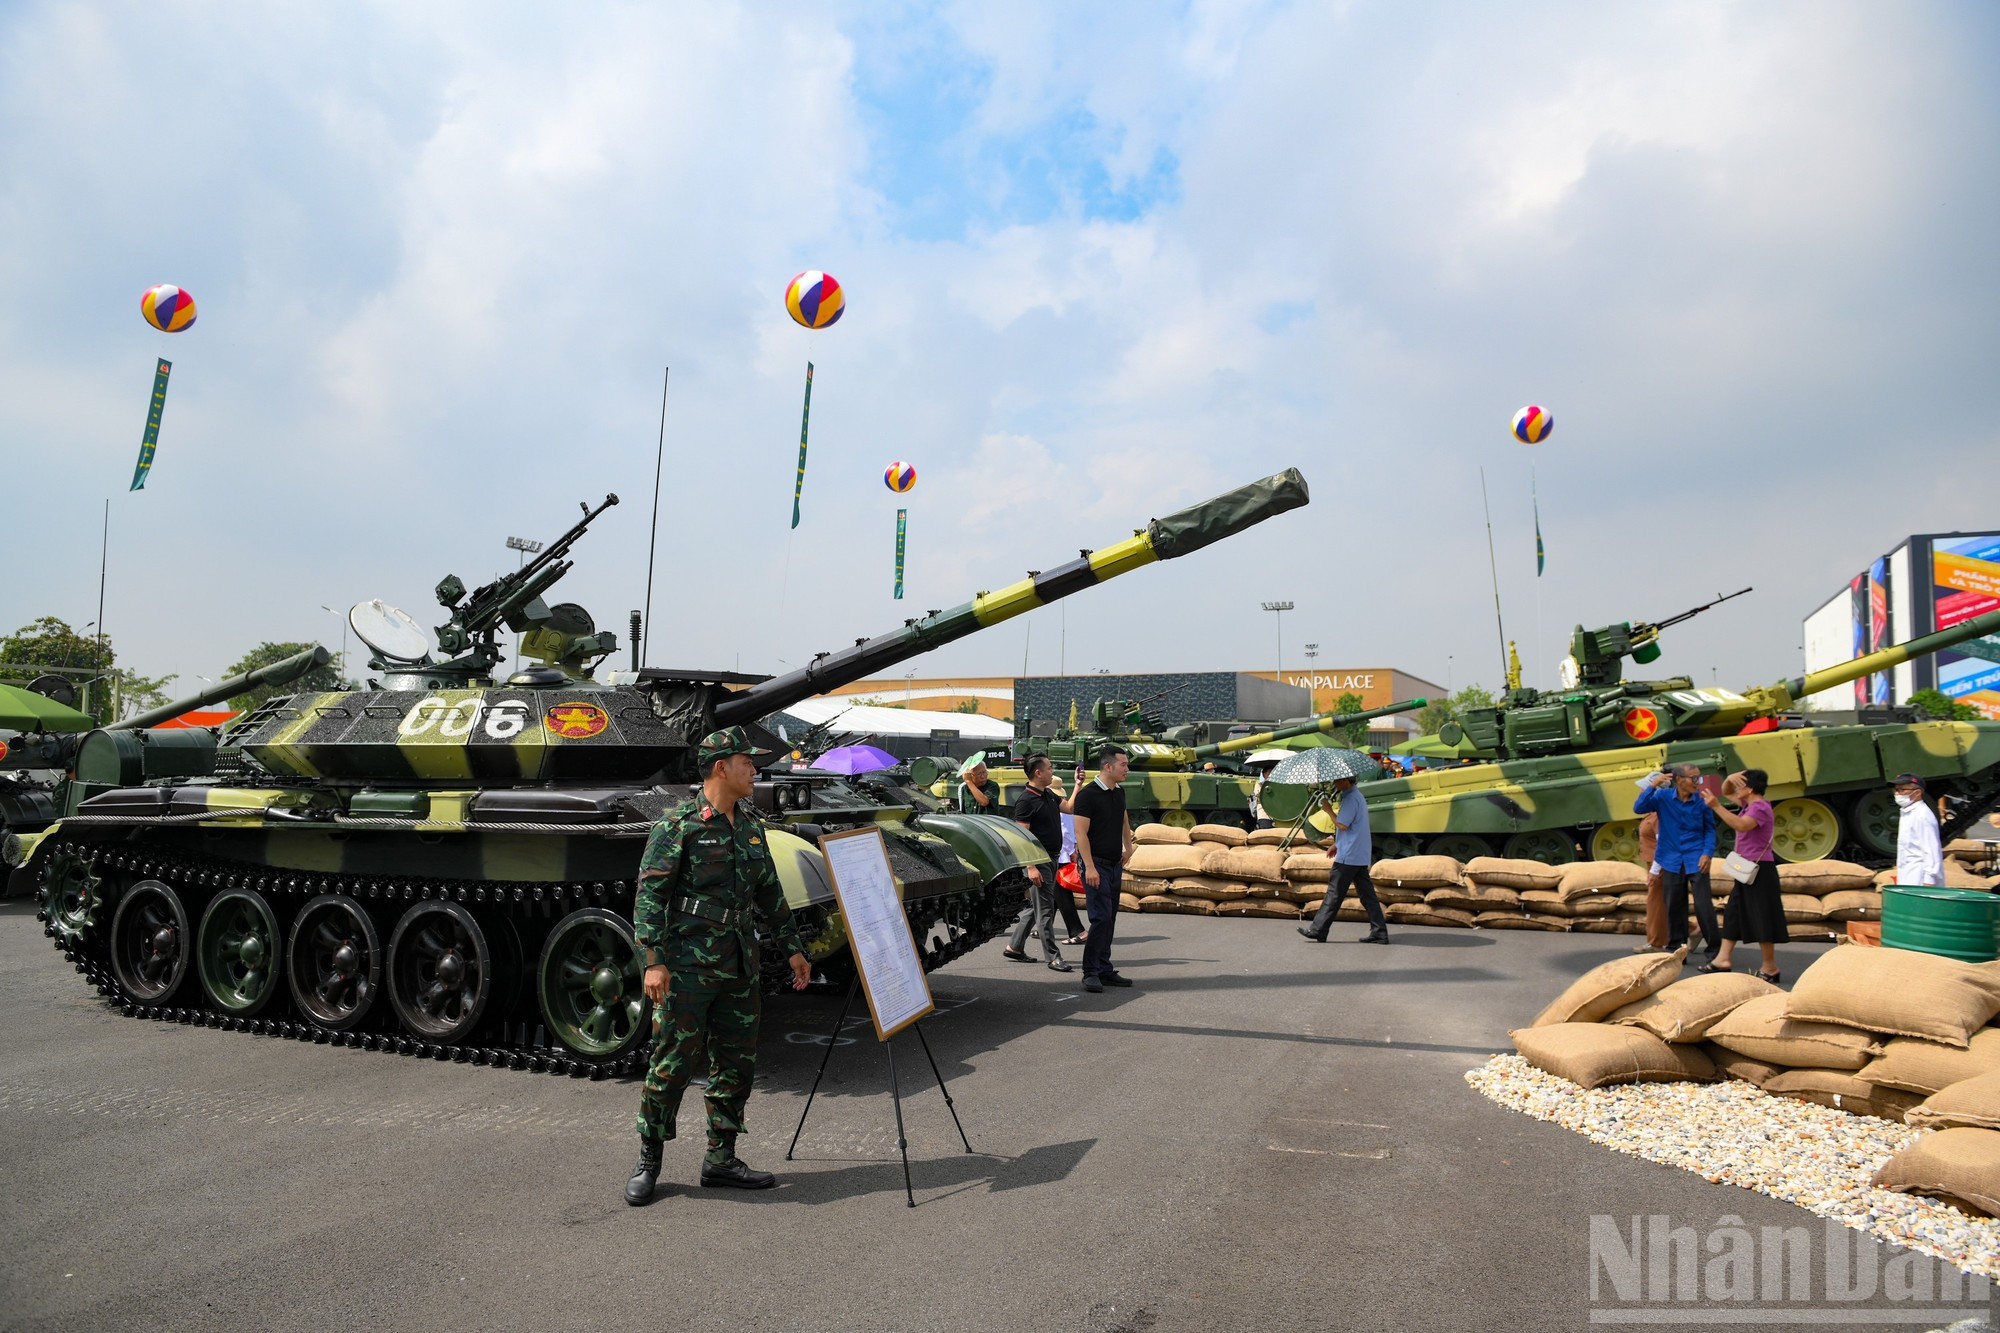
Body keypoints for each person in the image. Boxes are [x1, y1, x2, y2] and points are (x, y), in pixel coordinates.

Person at [624, 727, 812, 1207]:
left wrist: (792, 948)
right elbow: (650, 898)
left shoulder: (749, 826)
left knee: (735, 1064)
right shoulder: (678, 826)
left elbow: (769, 891)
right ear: (720, 767)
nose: (755, 769)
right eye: (746, 762)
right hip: (686, 968)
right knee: (672, 1063)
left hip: (738, 966)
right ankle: (650, 1161)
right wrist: (654, 960)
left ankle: (721, 1159)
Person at [1700, 769, 1785, 982]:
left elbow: (1741, 825)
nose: (1736, 789)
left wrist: (1716, 807)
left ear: (1749, 789)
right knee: (1733, 913)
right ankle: (1722, 959)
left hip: (1760, 871)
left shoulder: (1760, 808)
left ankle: (1770, 967)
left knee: (1762, 916)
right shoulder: (1749, 805)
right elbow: (1726, 789)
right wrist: (1731, 778)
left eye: (1740, 785)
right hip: (1746, 870)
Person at [1634, 763, 1718, 959]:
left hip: (1696, 857)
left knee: (1703, 905)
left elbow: (1710, 830)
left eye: (1699, 778)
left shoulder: (1703, 801)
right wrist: (1652, 785)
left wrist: (1707, 853)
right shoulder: (1662, 798)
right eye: (1693, 778)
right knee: (1674, 905)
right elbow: (1639, 807)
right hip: (1671, 859)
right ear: (1679, 780)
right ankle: (1675, 949)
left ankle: (1714, 950)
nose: (1698, 782)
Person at [1071, 745, 1135, 993]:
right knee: (1100, 918)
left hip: (1113, 864)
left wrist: (1128, 848)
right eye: (1123, 765)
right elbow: (1080, 833)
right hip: (1095, 864)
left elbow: (1124, 819)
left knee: (1110, 918)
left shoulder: (1118, 792)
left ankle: (1105, 968)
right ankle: (1090, 972)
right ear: (1108, 766)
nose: (1127, 769)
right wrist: (1090, 867)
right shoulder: (1088, 795)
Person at [1002, 753, 1074, 972]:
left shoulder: (1049, 795)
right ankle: (1053, 957)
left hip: (1052, 858)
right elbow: (1022, 838)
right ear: (1038, 772)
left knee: (1038, 907)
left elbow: (1070, 807)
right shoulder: (1026, 800)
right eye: (1050, 768)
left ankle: (1014, 947)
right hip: (1039, 862)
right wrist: (1030, 867)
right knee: (1045, 912)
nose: (1052, 771)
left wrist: (1079, 784)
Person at [1296, 776, 1389, 944]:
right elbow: (1352, 828)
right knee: (1367, 896)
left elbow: (1343, 824)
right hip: (1357, 854)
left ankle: (1318, 930)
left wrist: (1328, 810)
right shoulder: (1355, 796)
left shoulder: (1351, 799)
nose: (1335, 784)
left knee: (1334, 894)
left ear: (1347, 781)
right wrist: (1337, 844)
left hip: (1349, 857)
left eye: (1338, 781)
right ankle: (1380, 931)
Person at [1892, 771, 1944, 886]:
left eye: (1903, 790)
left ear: (1917, 793)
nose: (1898, 794)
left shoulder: (1922, 815)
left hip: (1920, 877)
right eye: (1897, 790)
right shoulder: (1908, 812)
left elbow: (1931, 849)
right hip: (1909, 874)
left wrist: (1929, 880)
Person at [1629, 811, 1667, 953]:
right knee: (1659, 903)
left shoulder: (1658, 815)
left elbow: (1662, 843)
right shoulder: (1651, 814)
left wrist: (1655, 870)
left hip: (1659, 865)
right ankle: (1692, 928)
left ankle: (1656, 943)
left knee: (1655, 902)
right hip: (1654, 864)